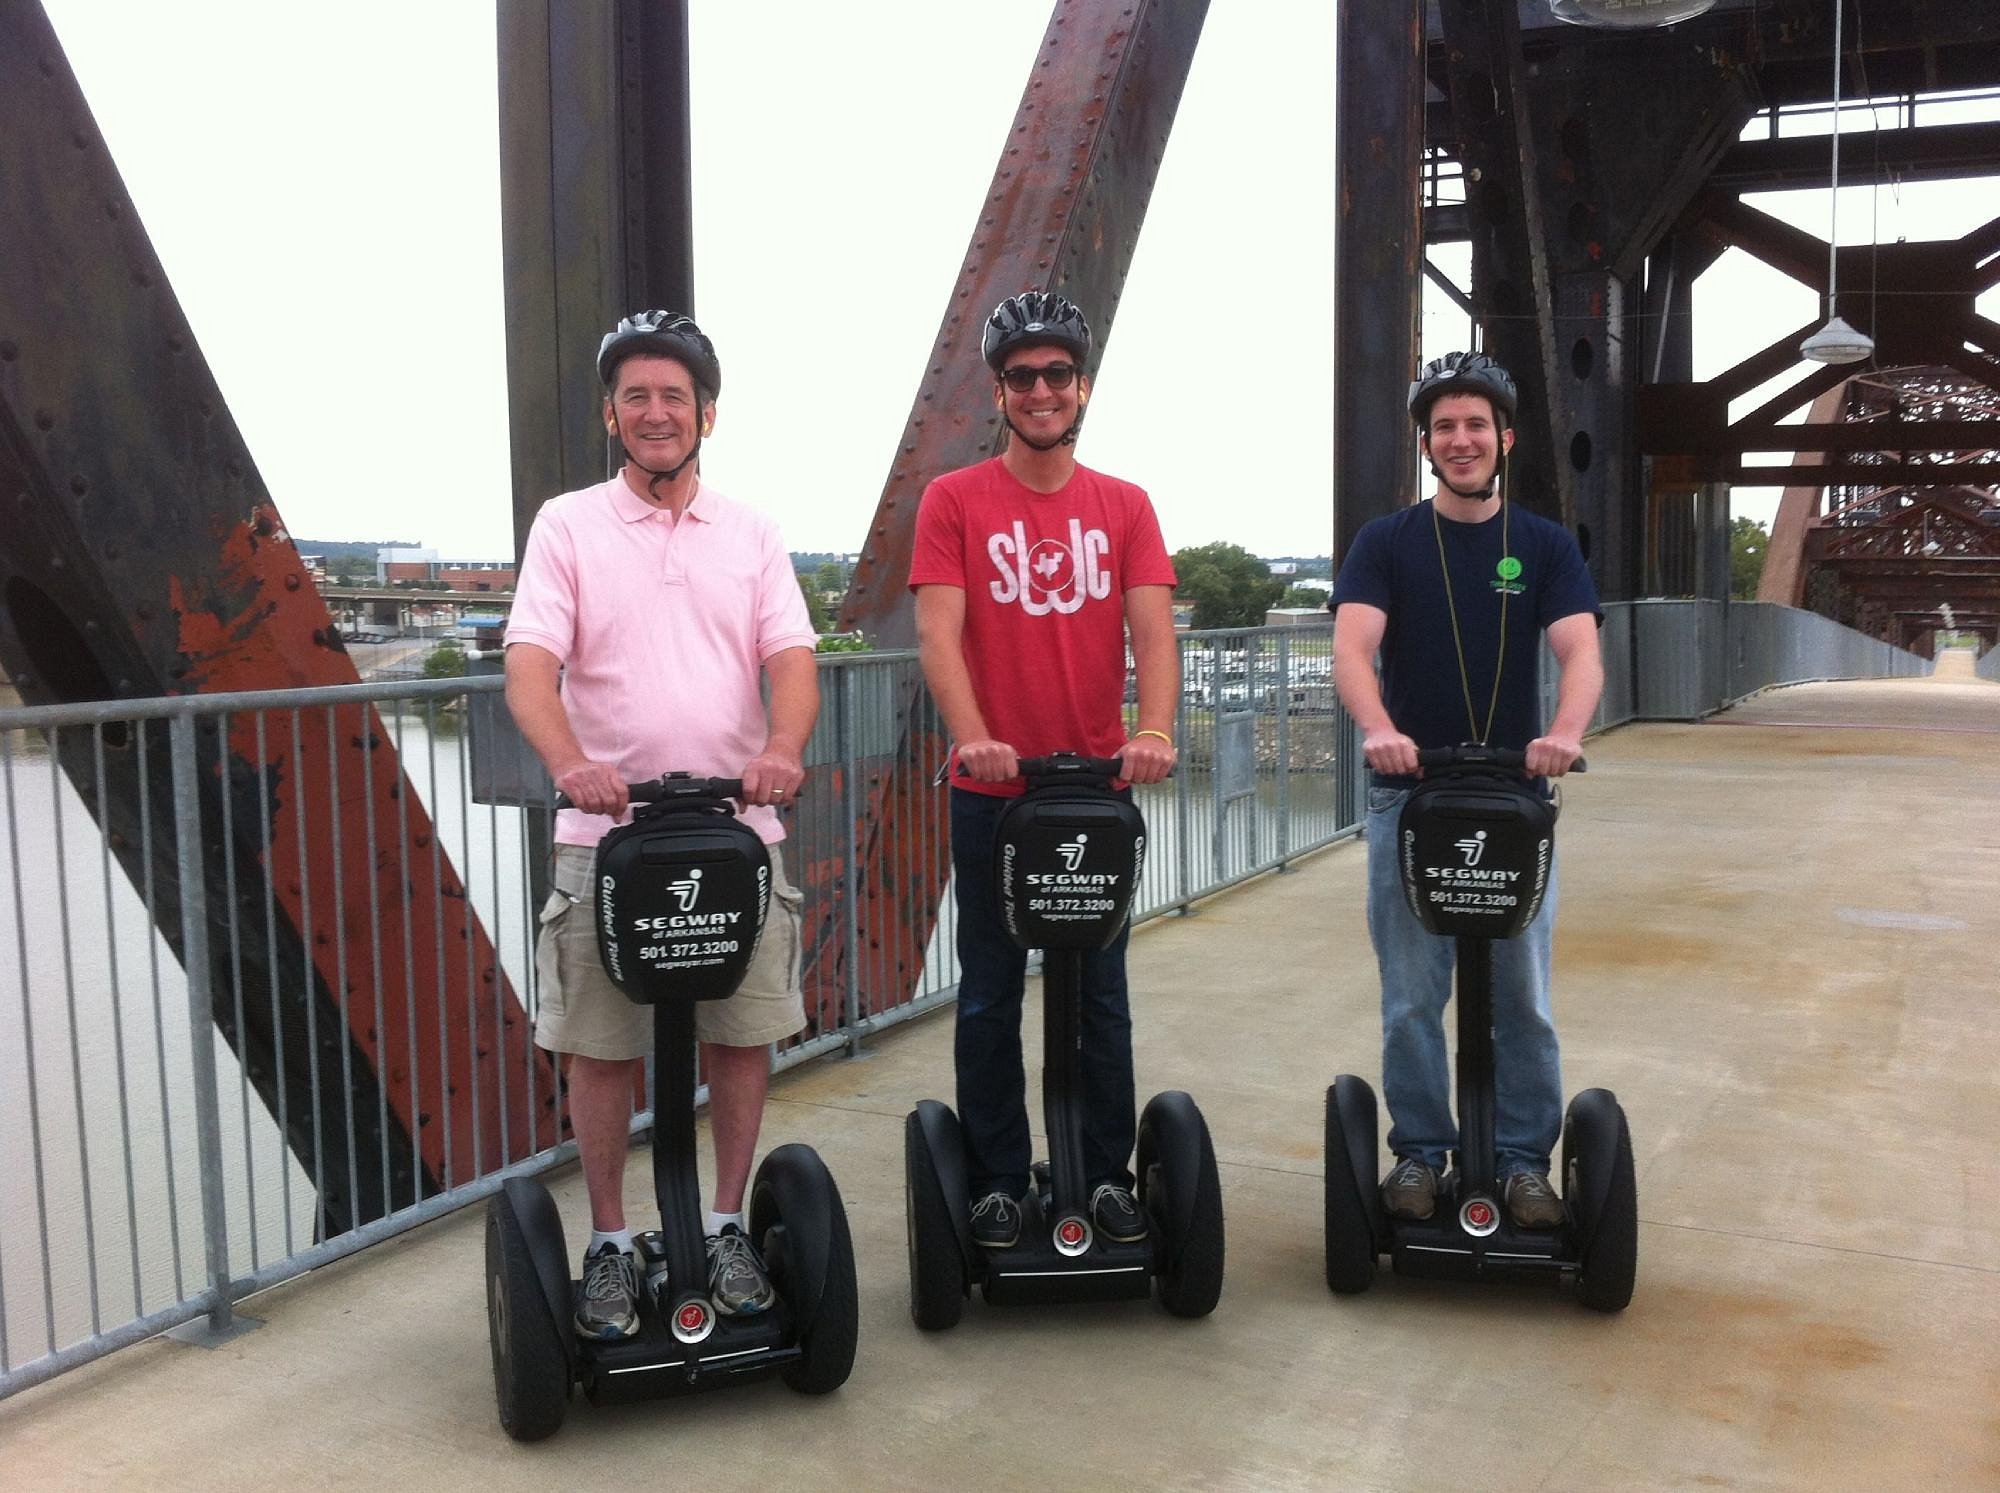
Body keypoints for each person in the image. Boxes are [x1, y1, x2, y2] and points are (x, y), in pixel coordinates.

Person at [504, 311, 820, 1339]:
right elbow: (528, 667)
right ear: (611, 414)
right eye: (635, 396)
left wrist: (779, 751)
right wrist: (571, 764)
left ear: (706, 416)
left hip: (735, 834)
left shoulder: (752, 534)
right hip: (608, 837)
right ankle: (605, 1238)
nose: (654, 412)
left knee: (738, 1036)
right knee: (601, 1047)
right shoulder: (567, 525)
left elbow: (792, 662)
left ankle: (725, 1221)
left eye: (672, 397)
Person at [909, 291, 1180, 1251]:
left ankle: (1104, 1174)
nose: (1040, 390)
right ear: (1000, 392)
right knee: (988, 989)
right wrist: (975, 734)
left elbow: (1153, 629)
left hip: (1093, 792)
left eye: (1056, 374)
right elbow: (938, 632)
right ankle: (992, 1179)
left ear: (1082, 388)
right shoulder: (954, 501)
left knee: (1100, 991)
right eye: (1021, 376)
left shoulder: (1125, 505)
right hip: (995, 794)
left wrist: (1151, 728)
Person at [1330, 350, 1603, 1230]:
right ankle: (1420, 1150)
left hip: (1514, 800)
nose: (1461, 439)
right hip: (1410, 796)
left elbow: (1579, 651)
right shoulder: (1387, 543)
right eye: (1444, 427)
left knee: (1521, 992)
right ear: (1427, 444)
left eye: (1475, 425)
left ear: (1505, 439)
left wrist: (1563, 734)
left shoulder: (1544, 546)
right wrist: (1378, 726)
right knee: (1413, 993)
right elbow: (1352, 649)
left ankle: (1524, 1161)